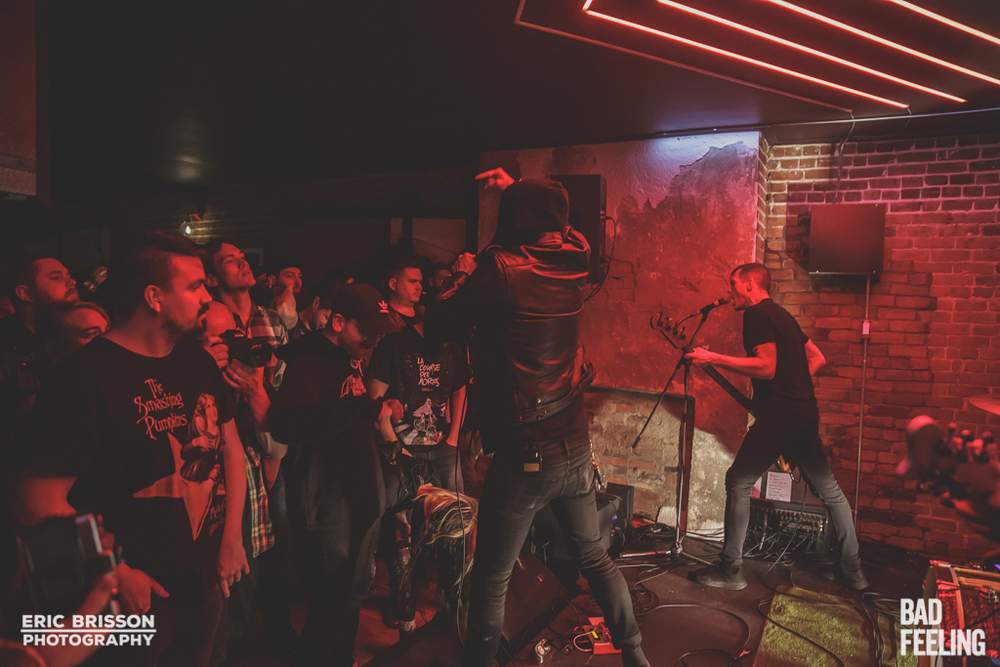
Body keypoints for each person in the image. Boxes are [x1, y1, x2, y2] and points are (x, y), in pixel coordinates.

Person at [430, 168, 649, 667]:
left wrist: (463, 271)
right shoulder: (576, 258)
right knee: (593, 555)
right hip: (573, 441)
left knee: (492, 575)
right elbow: (564, 227)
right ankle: (635, 653)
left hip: (526, 450)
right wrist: (520, 189)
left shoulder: (500, 270)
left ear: (514, 218)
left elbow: (440, 322)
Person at [17, 233, 249, 667]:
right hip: (128, 600)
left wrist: (232, 538)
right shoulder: (82, 378)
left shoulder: (197, 362)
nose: (207, 297)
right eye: (195, 286)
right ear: (154, 297)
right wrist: (116, 572)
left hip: (202, 581)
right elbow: (36, 501)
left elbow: (230, 448)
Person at [686, 262, 868, 591]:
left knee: (739, 481)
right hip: (803, 412)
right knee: (830, 491)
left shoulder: (756, 315)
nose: (730, 291)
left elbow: (767, 367)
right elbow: (817, 358)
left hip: (780, 416)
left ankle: (730, 570)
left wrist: (713, 359)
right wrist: (792, 386)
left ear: (750, 286)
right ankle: (853, 572)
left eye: (733, 284)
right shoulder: (783, 316)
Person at [269, 283, 399, 667]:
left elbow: (345, 408)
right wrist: (362, 411)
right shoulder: (308, 360)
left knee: (350, 592)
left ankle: (339, 656)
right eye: (367, 333)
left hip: (354, 491)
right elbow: (289, 425)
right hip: (327, 497)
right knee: (331, 593)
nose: (372, 342)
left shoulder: (347, 355)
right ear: (338, 322)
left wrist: (373, 408)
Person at [369, 257, 469, 492]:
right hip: (403, 446)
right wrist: (393, 442)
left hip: (443, 445)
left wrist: (453, 437)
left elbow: (461, 388)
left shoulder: (450, 347)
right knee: (403, 507)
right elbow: (374, 398)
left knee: (456, 508)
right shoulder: (394, 343)